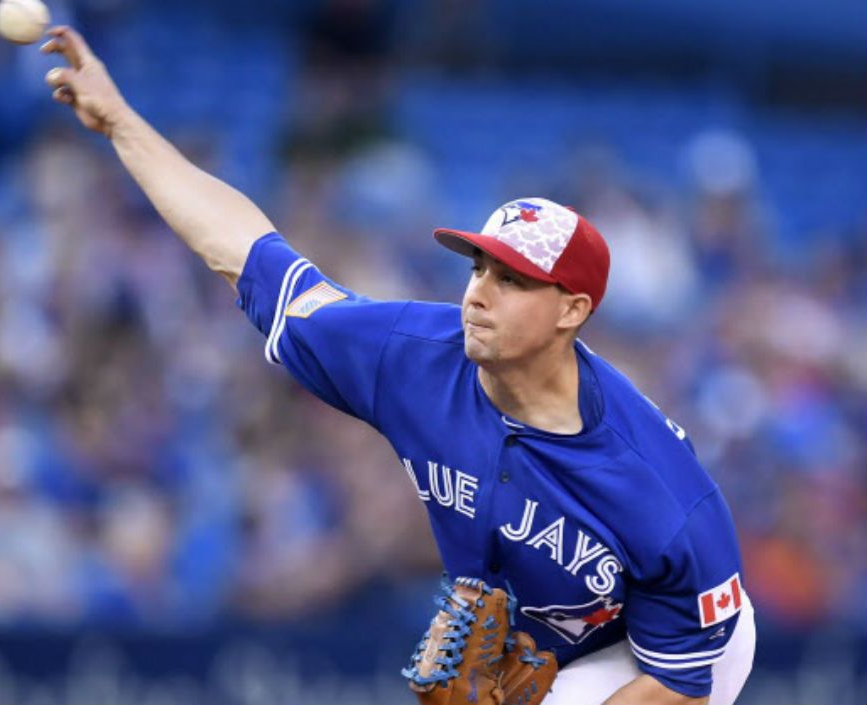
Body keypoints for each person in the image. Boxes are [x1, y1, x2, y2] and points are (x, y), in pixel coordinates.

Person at [40, 26, 755, 705]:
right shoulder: (411, 357)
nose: (478, 292)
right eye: (479, 267)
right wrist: (121, 125)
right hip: (547, 645)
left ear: (572, 310)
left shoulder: (661, 491)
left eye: (513, 281)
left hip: (666, 655)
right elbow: (245, 252)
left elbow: (680, 683)